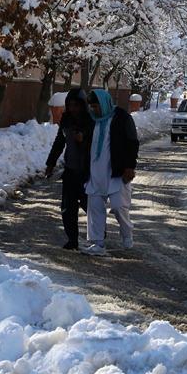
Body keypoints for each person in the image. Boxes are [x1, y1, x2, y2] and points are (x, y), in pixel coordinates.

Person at [81, 89, 139, 257]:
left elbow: (132, 142)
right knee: (95, 208)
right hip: (94, 171)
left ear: (105, 103)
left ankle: (127, 232)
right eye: (91, 106)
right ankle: (97, 243)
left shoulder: (121, 117)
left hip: (116, 171)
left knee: (118, 206)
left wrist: (130, 166)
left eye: (96, 106)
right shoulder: (91, 120)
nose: (94, 110)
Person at [45, 88, 92, 250]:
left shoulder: (91, 121)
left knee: (90, 206)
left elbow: (98, 144)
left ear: (83, 105)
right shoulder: (66, 121)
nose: (73, 109)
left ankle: (98, 232)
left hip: (88, 172)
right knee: (68, 208)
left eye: (77, 105)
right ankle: (72, 239)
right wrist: (50, 164)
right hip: (71, 171)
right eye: (70, 105)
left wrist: (84, 139)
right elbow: (59, 143)